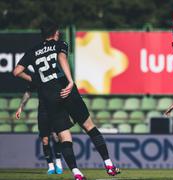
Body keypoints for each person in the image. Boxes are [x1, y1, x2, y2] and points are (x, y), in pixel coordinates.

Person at [13, 20, 120, 180]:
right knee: (89, 127)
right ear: (55, 32)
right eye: (58, 31)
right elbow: (62, 58)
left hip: (49, 97)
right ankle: (109, 164)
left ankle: (76, 173)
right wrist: (70, 81)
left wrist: (35, 80)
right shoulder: (60, 44)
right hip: (66, 91)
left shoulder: (32, 51)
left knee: (64, 136)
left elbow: (16, 71)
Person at [15, 79, 64, 175]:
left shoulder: (54, 77)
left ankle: (58, 162)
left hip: (55, 110)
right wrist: (21, 107)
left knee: (56, 137)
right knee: (45, 140)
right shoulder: (36, 78)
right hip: (43, 112)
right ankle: (50, 166)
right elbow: (28, 93)